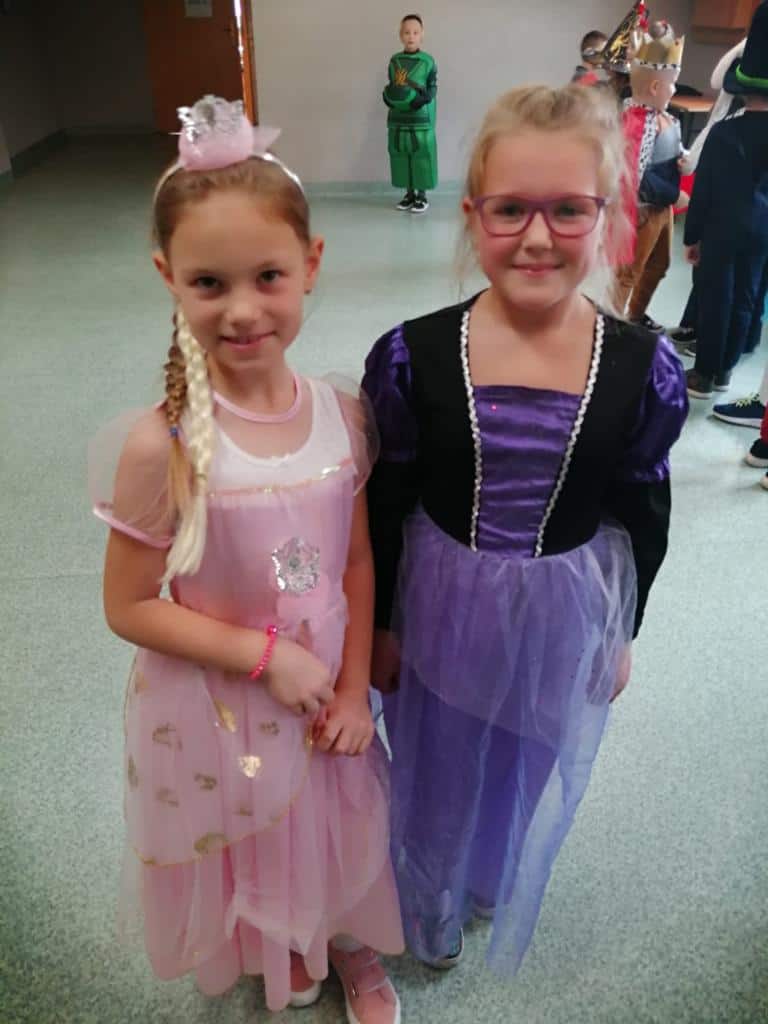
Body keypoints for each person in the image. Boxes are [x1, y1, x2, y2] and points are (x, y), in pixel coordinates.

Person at [88, 96, 403, 1023]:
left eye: (268, 276)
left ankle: (343, 937)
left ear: (311, 264)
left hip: (326, 691)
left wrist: (353, 690)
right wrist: (269, 658)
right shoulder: (163, 444)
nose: (242, 309)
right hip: (223, 701)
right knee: (256, 828)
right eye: (208, 283)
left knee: (337, 821)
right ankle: (277, 943)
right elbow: (129, 605)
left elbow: (355, 563)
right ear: (168, 277)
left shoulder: (343, 415)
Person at [363, 84, 688, 974]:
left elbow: (643, 507)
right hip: (442, 598)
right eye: (510, 210)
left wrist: (623, 632)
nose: (538, 237)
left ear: (607, 217)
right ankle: (428, 893)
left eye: (568, 210)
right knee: (439, 755)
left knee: (524, 752)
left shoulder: (642, 368)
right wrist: (382, 625)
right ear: (473, 215)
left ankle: (486, 877)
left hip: (562, 606)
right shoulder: (414, 354)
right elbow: (387, 496)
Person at [684, 0, 768, 400]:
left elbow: (703, 191)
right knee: (746, 297)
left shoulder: (724, 134)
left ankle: (704, 373)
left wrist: (692, 236)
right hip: (762, 232)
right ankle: (725, 373)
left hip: (720, 230)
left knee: (716, 296)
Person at [668, 38, 747, 353]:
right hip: (737, 203)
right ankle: (695, 328)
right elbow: (718, 87)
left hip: (727, 195)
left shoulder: (740, 114)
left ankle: (706, 340)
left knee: (718, 274)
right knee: (716, 272)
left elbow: (717, 87)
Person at [614, 20, 688, 332]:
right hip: (644, 210)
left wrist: (682, 159)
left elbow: (668, 150)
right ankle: (613, 327)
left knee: (659, 265)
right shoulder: (636, 122)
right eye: (673, 84)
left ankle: (634, 316)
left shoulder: (665, 118)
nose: (675, 90)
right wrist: (675, 194)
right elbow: (636, 175)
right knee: (628, 271)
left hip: (662, 210)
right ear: (655, 87)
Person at [383, 14, 438, 214]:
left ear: (422, 34)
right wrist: (388, 97)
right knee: (401, 155)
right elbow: (393, 85)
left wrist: (424, 99)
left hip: (420, 119)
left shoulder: (428, 61)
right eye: (407, 32)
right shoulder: (394, 61)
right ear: (400, 35)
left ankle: (422, 196)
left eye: (415, 32)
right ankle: (409, 195)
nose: (411, 36)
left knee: (421, 155)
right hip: (398, 120)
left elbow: (432, 87)